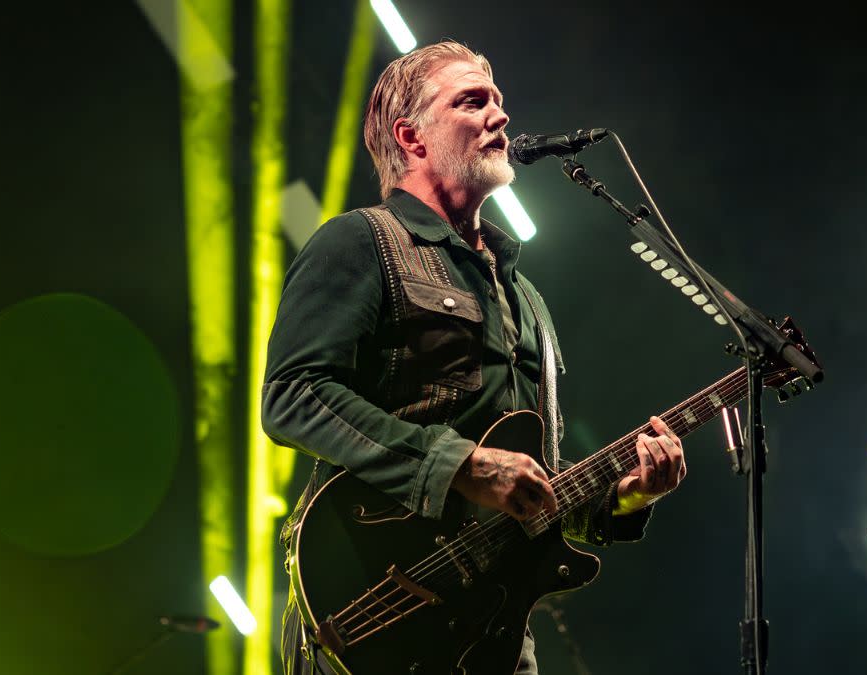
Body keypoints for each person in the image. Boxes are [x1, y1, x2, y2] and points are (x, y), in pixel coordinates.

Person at [262, 40, 686, 675]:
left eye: (501, 101)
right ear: (412, 136)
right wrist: (458, 465)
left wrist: (615, 502)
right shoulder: (359, 241)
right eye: (473, 100)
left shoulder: (526, 297)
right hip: (376, 603)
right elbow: (292, 395)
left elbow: (530, 474)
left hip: (495, 634)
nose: (501, 116)